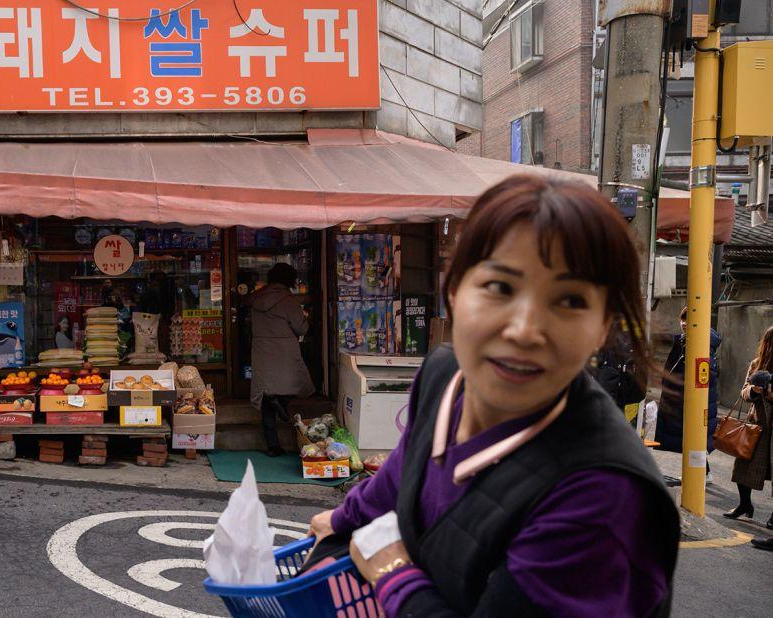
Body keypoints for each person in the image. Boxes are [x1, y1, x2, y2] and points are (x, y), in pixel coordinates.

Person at [308, 176, 679, 615]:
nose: (523, 330)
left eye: (570, 300)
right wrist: (343, 517)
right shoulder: (445, 375)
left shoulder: (601, 496)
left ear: (603, 327)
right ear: (454, 291)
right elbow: (406, 465)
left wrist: (393, 574)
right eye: (501, 287)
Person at [250, 263, 314, 457]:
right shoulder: (289, 300)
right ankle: (281, 402)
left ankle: (273, 446)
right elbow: (300, 329)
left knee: (266, 397)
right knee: (294, 383)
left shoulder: (256, 298)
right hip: (285, 350)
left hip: (261, 349)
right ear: (290, 280)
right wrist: (307, 318)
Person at [656, 307, 720, 483]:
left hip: (695, 399)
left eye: (688, 320)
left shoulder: (702, 343)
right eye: (682, 319)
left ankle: (698, 474)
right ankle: (704, 473)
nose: (684, 323)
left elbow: (706, 374)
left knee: (693, 436)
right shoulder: (686, 340)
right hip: (685, 397)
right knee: (690, 437)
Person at [723, 325, 773, 548]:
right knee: (744, 464)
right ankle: (745, 504)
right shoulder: (756, 364)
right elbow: (743, 392)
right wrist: (754, 391)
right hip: (757, 425)